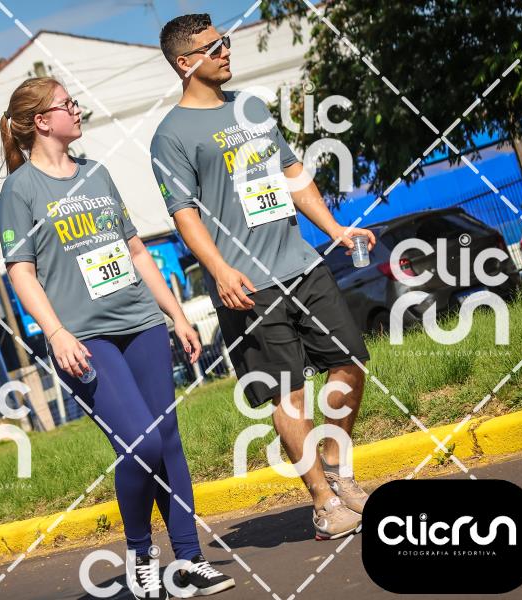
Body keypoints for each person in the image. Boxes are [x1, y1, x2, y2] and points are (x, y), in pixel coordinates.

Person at [0, 77, 236, 598]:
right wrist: (55, 332)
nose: (77, 110)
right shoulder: (20, 189)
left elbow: (135, 251)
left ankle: (190, 559)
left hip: (141, 322)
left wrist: (176, 315)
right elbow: (21, 272)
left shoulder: (96, 173)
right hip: (84, 338)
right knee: (140, 444)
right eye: (67, 105)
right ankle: (140, 551)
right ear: (41, 121)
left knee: (167, 442)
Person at [151, 14, 376, 541]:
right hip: (248, 284)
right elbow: (184, 214)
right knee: (288, 394)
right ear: (184, 63)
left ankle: (336, 469)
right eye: (213, 47)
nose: (225, 51)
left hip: (302, 263)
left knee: (349, 366)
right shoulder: (170, 137)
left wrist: (334, 230)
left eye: (225, 41)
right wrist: (219, 269)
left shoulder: (250, 107)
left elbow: (293, 175)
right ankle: (323, 503)